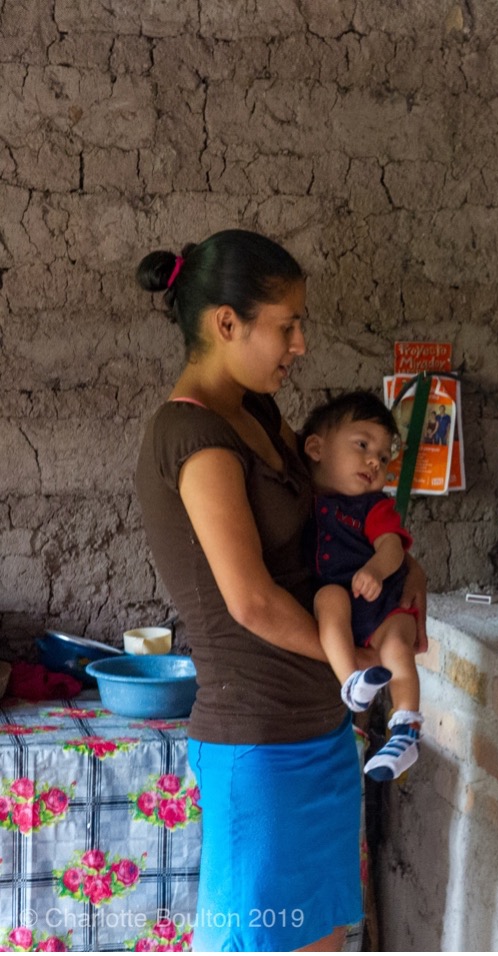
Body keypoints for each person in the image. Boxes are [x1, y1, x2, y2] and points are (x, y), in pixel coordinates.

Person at [133, 229, 427, 952]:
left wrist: (398, 563)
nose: (301, 344)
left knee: (323, 936)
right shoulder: (194, 438)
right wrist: (357, 655)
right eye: (287, 325)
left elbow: (339, 498)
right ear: (226, 323)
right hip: (259, 743)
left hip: (318, 728)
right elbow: (252, 602)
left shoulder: (258, 413)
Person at [300, 390, 423, 780]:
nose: (375, 461)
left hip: (385, 603)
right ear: (316, 449)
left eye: (384, 458)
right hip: (343, 604)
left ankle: (406, 731)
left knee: (398, 648)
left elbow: (392, 548)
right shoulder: (300, 496)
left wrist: (375, 570)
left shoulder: (374, 506)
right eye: (363, 445)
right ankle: (351, 682)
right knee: (328, 598)